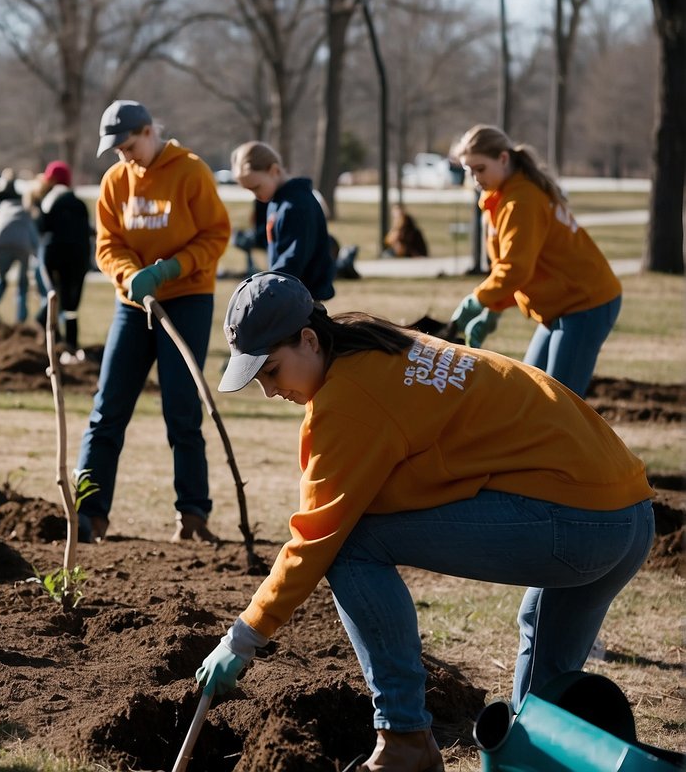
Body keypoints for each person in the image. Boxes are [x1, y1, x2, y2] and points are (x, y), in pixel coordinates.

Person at [198, 272, 653, 771]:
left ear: (309, 340)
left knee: (352, 543)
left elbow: (316, 539)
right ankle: (532, 755)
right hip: (627, 513)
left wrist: (241, 639)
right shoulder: (379, 344)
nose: (269, 391)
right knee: (537, 698)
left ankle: (404, 737)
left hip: (579, 524)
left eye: (271, 372)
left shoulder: (349, 398)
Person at [75, 100, 230, 543]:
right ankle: (89, 515)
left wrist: (168, 270)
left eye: (128, 146)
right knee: (108, 409)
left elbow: (216, 236)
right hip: (132, 304)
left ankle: (193, 515)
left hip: (187, 299)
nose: (125, 157)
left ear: (148, 132)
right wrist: (129, 275)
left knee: (181, 409)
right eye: (117, 151)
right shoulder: (115, 182)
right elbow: (108, 244)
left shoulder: (191, 172)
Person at [449, 124, 622, 398]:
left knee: (559, 402)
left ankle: (570, 441)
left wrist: (478, 300)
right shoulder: (499, 198)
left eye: (480, 169)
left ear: (503, 159)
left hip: (587, 303)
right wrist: (492, 311)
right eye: (468, 170)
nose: (474, 178)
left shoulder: (521, 202)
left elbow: (516, 270)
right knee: (530, 394)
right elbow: (515, 264)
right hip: (561, 305)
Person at [230, 141, 335, 300]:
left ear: (274, 170)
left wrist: (267, 286)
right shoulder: (276, 202)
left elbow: (293, 258)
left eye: (256, 187)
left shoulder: (297, 205)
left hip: (303, 297)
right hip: (287, 291)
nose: (255, 195)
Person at [28, 160, 92, 359]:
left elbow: (41, 228)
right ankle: (70, 345)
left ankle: (49, 334)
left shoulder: (48, 200)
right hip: (79, 255)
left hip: (54, 253)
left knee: (54, 296)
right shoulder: (78, 203)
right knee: (71, 305)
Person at [0, 189, 40, 332]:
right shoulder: (25, 208)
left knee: (0, 278)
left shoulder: (2, 207)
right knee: (22, 283)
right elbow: (32, 233)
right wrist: (37, 252)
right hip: (21, 245)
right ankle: (20, 320)